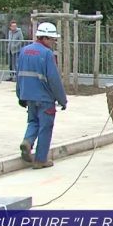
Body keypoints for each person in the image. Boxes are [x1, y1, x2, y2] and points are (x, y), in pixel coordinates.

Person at [16, 22, 68, 169]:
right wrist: (62, 99)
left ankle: (27, 141)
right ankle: (40, 160)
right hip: (45, 98)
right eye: (52, 39)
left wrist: (20, 94)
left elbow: (18, 75)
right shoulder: (47, 54)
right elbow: (54, 79)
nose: (53, 42)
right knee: (46, 127)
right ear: (44, 38)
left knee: (33, 122)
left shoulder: (24, 51)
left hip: (28, 95)